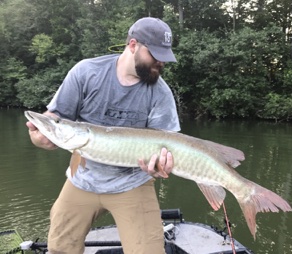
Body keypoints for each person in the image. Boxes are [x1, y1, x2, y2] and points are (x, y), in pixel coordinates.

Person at [26, 17, 180, 254]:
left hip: (133, 184)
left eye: (164, 57)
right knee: (59, 248)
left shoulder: (160, 93)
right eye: (155, 55)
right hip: (83, 180)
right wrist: (41, 137)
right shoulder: (87, 72)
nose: (160, 63)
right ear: (132, 45)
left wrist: (160, 166)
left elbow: (168, 145)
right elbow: (55, 117)